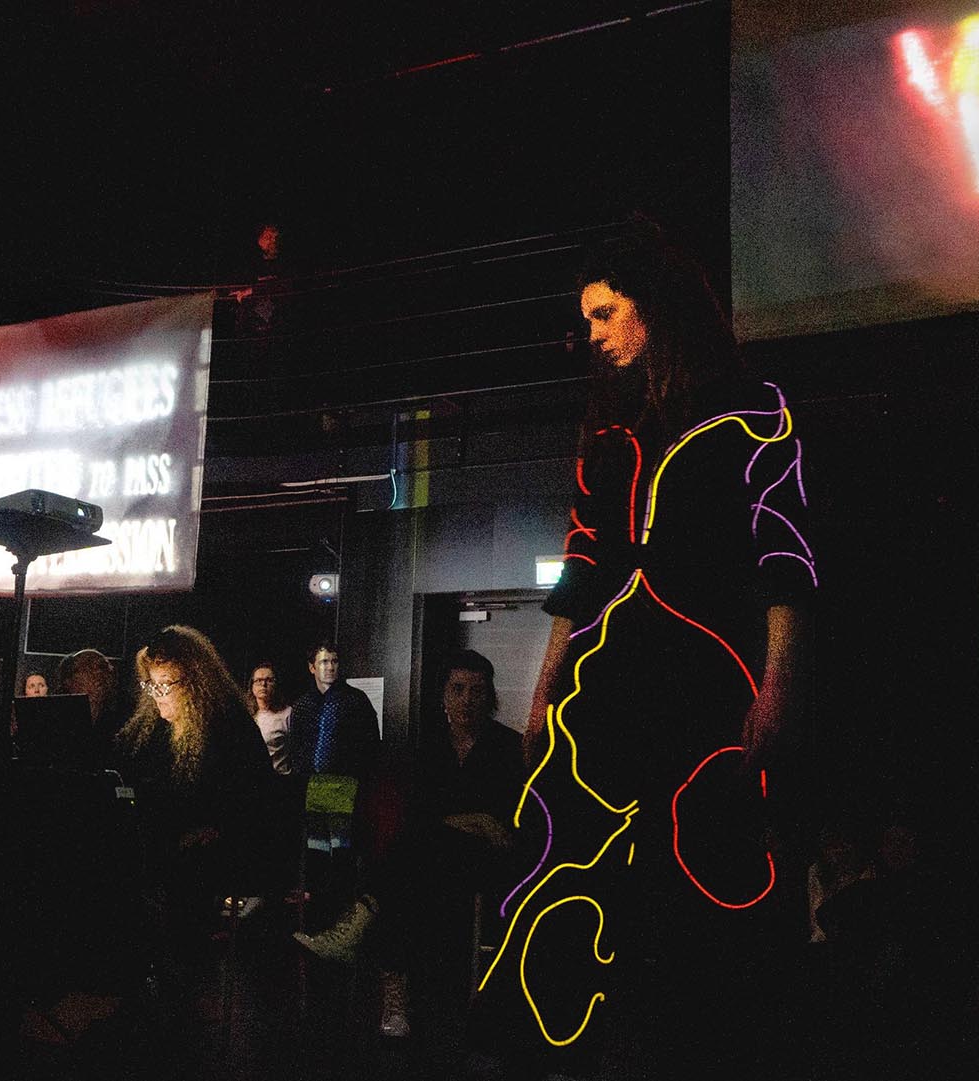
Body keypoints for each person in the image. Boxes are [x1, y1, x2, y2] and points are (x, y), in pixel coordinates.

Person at [502, 225, 814, 1069]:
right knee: (575, 849)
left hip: (706, 668)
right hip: (611, 671)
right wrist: (543, 688)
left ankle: (705, 1039)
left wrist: (778, 684)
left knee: (701, 864)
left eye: (606, 312)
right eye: (588, 317)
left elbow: (784, 556)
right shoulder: (605, 430)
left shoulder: (752, 412)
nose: (593, 332)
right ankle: (577, 1036)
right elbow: (582, 559)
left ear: (656, 307)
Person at [295, 650, 529, 1038]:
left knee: (406, 858)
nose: (467, 699)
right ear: (443, 696)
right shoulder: (427, 748)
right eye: (458, 689)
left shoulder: (509, 748)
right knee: (411, 867)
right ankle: (395, 988)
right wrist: (474, 820)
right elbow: (422, 813)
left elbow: (506, 825)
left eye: (476, 690)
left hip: (484, 863)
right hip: (431, 861)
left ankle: (375, 950)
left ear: (490, 696)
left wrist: (468, 824)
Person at [113, 627, 285, 944]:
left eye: (165, 685)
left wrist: (211, 829)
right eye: (151, 685)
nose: (156, 694)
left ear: (195, 682)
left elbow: (250, 802)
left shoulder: (228, 725)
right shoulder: (154, 725)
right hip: (169, 842)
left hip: (219, 852)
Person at [288, 641, 380, 779]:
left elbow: (371, 744)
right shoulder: (302, 705)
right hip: (309, 781)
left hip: (347, 781)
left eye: (334, 661)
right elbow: (295, 747)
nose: (330, 667)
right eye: (324, 662)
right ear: (312, 668)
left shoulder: (356, 700)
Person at [247, 662, 295, 776]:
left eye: (269, 680)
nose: (263, 684)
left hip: (279, 778)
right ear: (252, 686)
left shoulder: (287, 714)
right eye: (258, 680)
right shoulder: (247, 715)